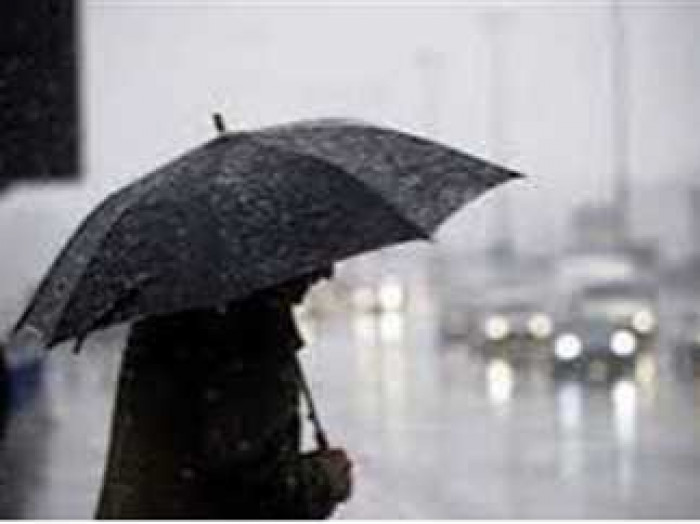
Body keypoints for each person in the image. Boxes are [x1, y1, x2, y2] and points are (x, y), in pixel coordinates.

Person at [96, 267, 352, 519]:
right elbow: (250, 491)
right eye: (319, 261)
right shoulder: (247, 336)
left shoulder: (174, 311)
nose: (326, 273)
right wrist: (324, 480)